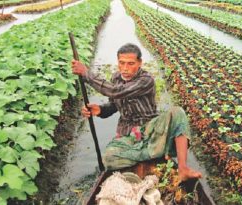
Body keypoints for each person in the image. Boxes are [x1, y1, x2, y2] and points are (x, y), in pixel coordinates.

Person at [71, 43, 201, 181]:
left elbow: (117, 92)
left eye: (130, 63)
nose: (125, 68)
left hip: (151, 130)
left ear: (139, 63)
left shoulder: (146, 80)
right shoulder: (116, 78)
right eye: (121, 63)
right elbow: (114, 104)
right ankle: (156, 152)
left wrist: (86, 73)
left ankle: (182, 168)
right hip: (128, 134)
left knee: (178, 112)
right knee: (108, 158)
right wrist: (100, 110)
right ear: (118, 62)